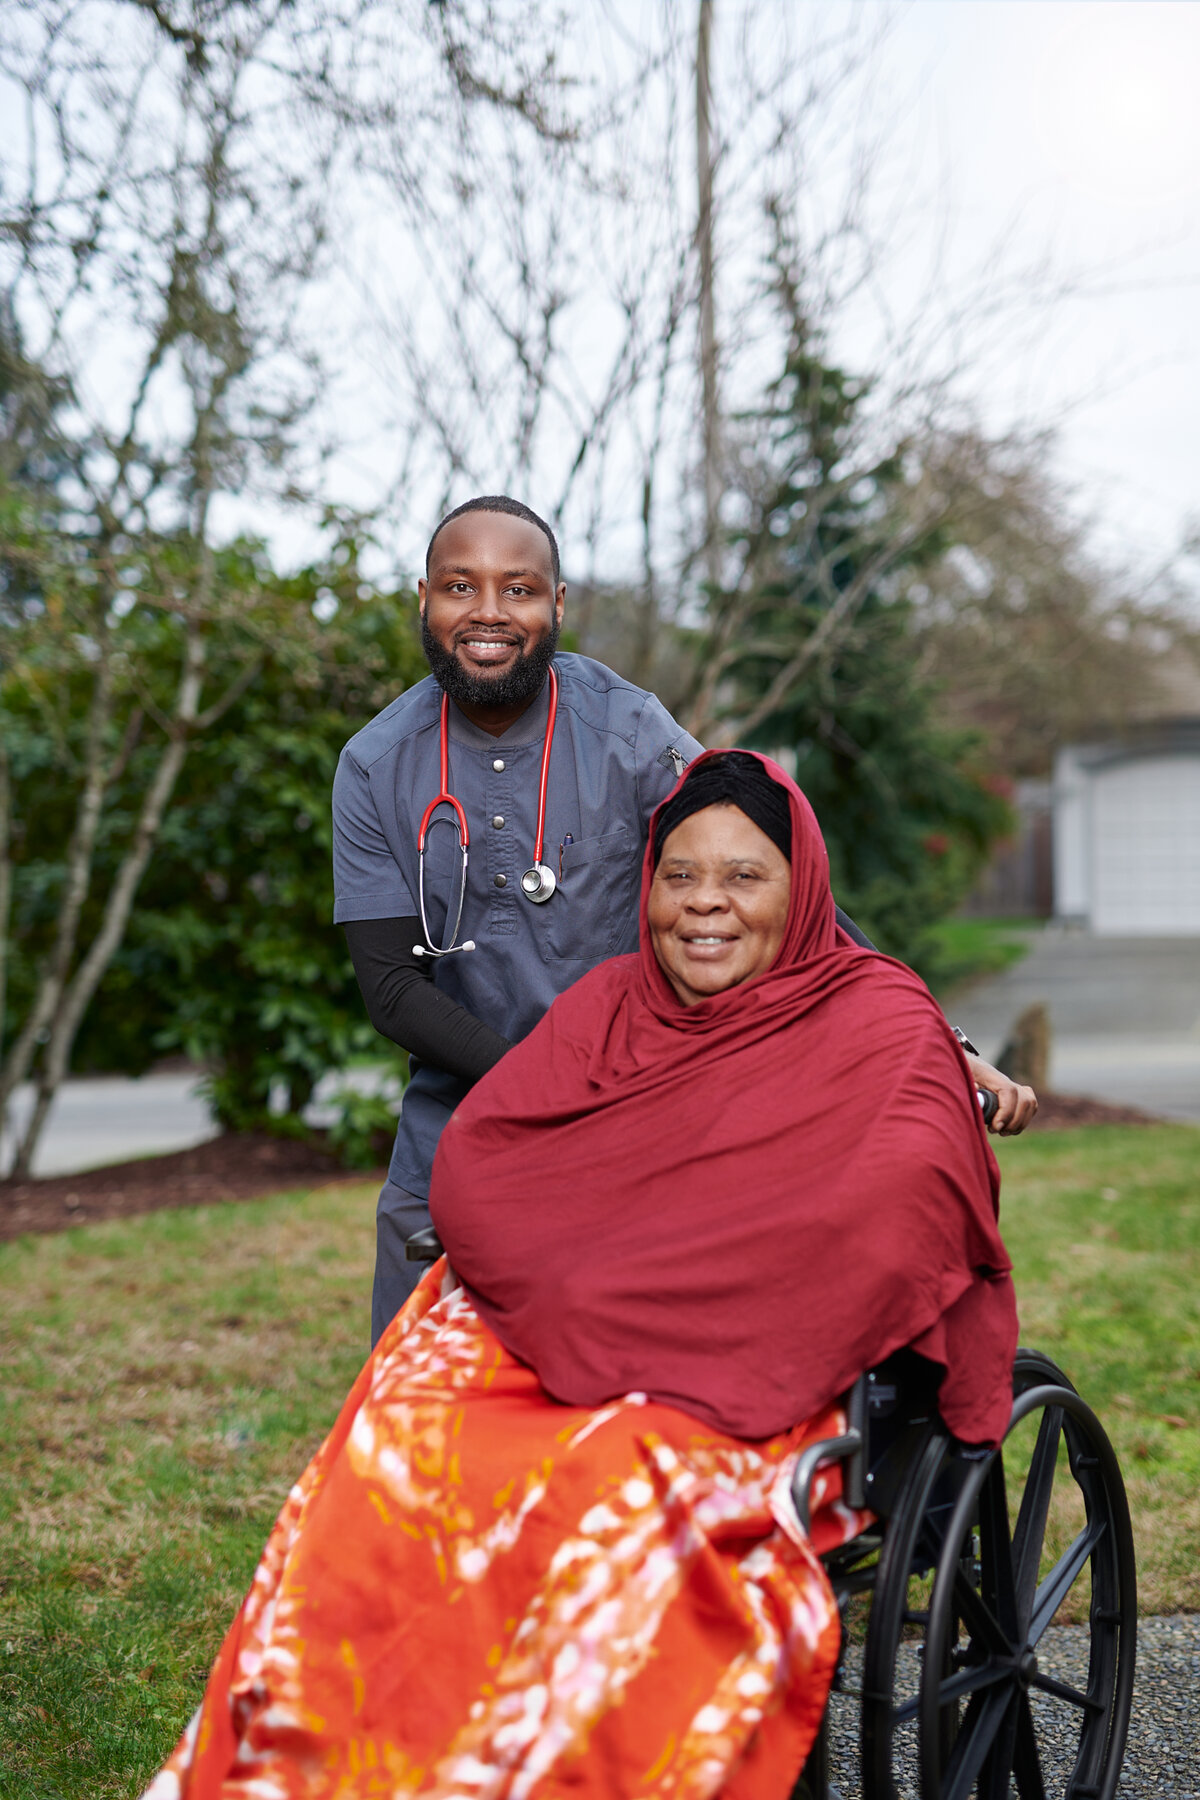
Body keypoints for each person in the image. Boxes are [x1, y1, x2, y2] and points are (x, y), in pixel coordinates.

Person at [146, 752, 1018, 1800]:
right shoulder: (611, 1004)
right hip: (561, 1338)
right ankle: (353, 1760)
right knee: (403, 1445)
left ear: (803, 892)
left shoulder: (879, 1015)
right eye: (679, 875)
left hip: (743, 1371)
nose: (704, 904)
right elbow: (488, 1156)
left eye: (743, 877)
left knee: (608, 1487)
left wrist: (668, 1285)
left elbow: (905, 1196)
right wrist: (591, 1276)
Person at [333, 496, 1035, 1343]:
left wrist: (939, 1043)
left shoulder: (628, 729)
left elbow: (780, 885)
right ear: (424, 600)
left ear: (558, 604)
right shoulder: (374, 765)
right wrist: (547, 1091)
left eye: (518, 589)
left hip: (641, 1123)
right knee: (414, 1394)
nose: (489, 613)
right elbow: (393, 989)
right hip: (458, 1136)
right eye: (460, 586)